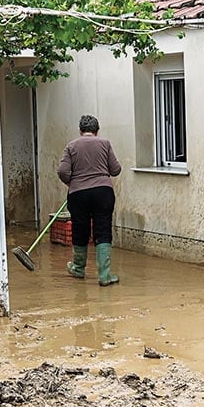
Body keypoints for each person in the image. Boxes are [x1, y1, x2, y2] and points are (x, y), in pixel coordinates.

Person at [57, 114, 121, 286]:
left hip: (78, 194)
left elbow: (63, 171)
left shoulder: (71, 146)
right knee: (103, 230)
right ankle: (104, 275)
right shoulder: (105, 144)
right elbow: (116, 170)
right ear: (97, 131)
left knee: (80, 229)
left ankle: (78, 268)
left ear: (80, 130)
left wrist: (73, 182)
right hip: (103, 192)